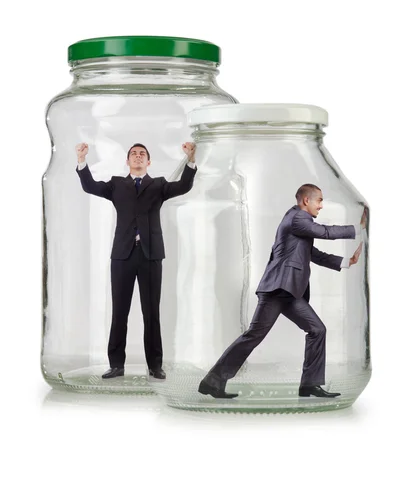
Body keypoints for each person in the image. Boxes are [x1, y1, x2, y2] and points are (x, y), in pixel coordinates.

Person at [199, 183, 366, 399]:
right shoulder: (298, 218)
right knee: (253, 336)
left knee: (317, 330)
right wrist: (358, 228)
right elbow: (324, 231)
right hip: (278, 289)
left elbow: (311, 253)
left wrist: (345, 261)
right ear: (307, 200)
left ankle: (309, 385)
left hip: (290, 292)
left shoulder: (299, 223)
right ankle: (213, 381)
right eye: (320, 200)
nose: (321, 206)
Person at [75, 141, 197, 380]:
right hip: (122, 255)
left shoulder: (159, 184)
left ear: (148, 161)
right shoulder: (116, 185)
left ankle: (155, 365)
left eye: (142, 154)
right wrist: (81, 160)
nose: (138, 156)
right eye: (133, 154)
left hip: (151, 255)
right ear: (127, 161)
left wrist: (191, 159)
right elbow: (90, 186)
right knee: (119, 311)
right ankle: (116, 365)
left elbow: (183, 186)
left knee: (151, 312)